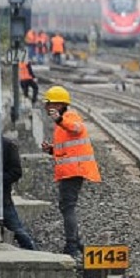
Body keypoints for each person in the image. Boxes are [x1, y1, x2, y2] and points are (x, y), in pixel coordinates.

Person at [41, 85, 101, 257]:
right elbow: (68, 148)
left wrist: (59, 119)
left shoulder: (69, 117)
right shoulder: (61, 123)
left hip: (74, 170)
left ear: (59, 105)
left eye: (49, 103)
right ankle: (76, 242)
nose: (46, 106)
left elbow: (76, 128)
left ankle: (71, 245)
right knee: (66, 206)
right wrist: (51, 149)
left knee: (68, 207)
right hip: (69, 170)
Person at [2, 135, 37, 250]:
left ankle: (33, 254)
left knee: (18, 231)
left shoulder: (7, 145)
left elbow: (16, 172)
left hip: (1, 199)